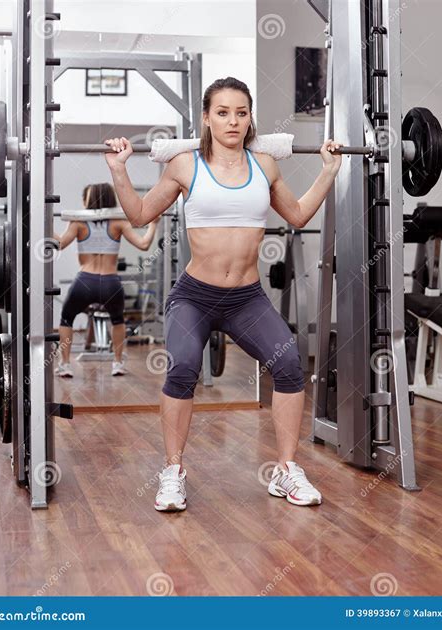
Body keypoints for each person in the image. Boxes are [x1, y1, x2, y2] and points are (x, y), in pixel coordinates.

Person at [104, 76, 342, 511]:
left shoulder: (265, 165)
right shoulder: (185, 165)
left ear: (251, 118)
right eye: (222, 112)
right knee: (183, 369)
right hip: (194, 296)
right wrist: (119, 170)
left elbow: (299, 213)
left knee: (288, 365)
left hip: (246, 298)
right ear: (206, 118)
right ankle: (173, 472)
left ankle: (286, 470)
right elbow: (139, 215)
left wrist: (327, 172)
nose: (233, 120)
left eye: (241, 112)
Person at [53, 182, 159, 377]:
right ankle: (117, 363)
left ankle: (64, 364)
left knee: (66, 319)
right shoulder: (119, 223)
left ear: (90, 199)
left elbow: (58, 244)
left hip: (85, 281)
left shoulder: (78, 223)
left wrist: (44, 222)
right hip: (110, 282)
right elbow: (144, 245)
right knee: (118, 321)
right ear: (112, 200)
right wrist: (154, 224)